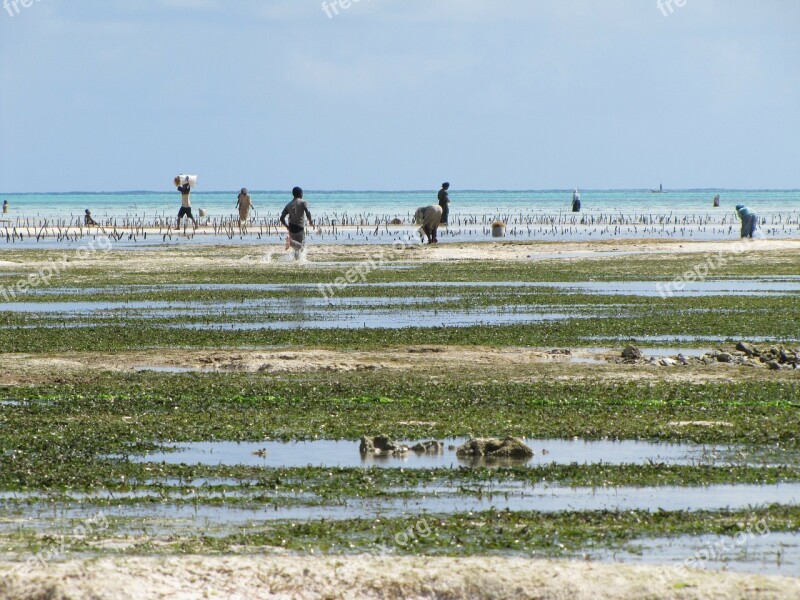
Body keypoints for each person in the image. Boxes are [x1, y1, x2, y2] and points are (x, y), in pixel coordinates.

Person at [280, 187, 314, 259]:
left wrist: (287, 226)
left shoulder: (288, 204)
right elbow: (307, 212)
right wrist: (310, 221)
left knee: (296, 249)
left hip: (291, 228)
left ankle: (296, 261)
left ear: (293, 194)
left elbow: (281, 218)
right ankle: (291, 242)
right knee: (302, 247)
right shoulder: (303, 202)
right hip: (299, 228)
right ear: (301, 194)